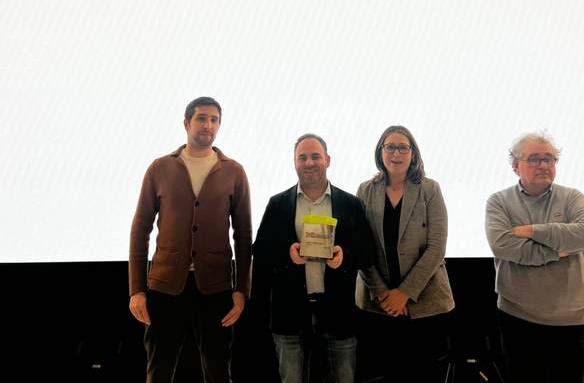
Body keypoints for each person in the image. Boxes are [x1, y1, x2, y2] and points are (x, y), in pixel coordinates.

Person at [129, 97, 252, 383]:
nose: (208, 125)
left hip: (216, 287)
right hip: (165, 285)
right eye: (201, 118)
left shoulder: (233, 171)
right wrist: (136, 289)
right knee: (159, 372)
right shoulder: (160, 168)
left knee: (219, 372)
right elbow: (140, 230)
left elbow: (244, 235)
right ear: (186, 123)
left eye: (214, 120)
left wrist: (241, 289)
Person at [252, 134, 375, 383]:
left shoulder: (350, 204)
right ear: (294, 163)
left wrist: (344, 257)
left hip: (338, 312)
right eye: (303, 157)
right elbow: (261, 251)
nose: (309, 163)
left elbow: (367, 252)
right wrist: (287, 254)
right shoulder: (277, 204)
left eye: (315, 156)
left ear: (327, 160)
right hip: (289, 312)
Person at [485, 131, 584, 383]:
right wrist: (558, 249)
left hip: (571, 318)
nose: (543, 165)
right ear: (516, 165)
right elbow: (503, 245)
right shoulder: (499, 202)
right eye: (534, 159)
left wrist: (529, 231)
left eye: (549, 159)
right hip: (518, 316)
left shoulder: (573, 197)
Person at [355, 125, 455, 382]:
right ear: (380, 152)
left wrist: (405, 294)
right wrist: (384, 294)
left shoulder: (429, 189)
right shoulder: (366, 190)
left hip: (425, 302)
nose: (396, 153)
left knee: (424, 374)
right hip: (379, 304)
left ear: (413, 154)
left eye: (403, 147)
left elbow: (437, 247)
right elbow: (360, 247)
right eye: (390, 147)